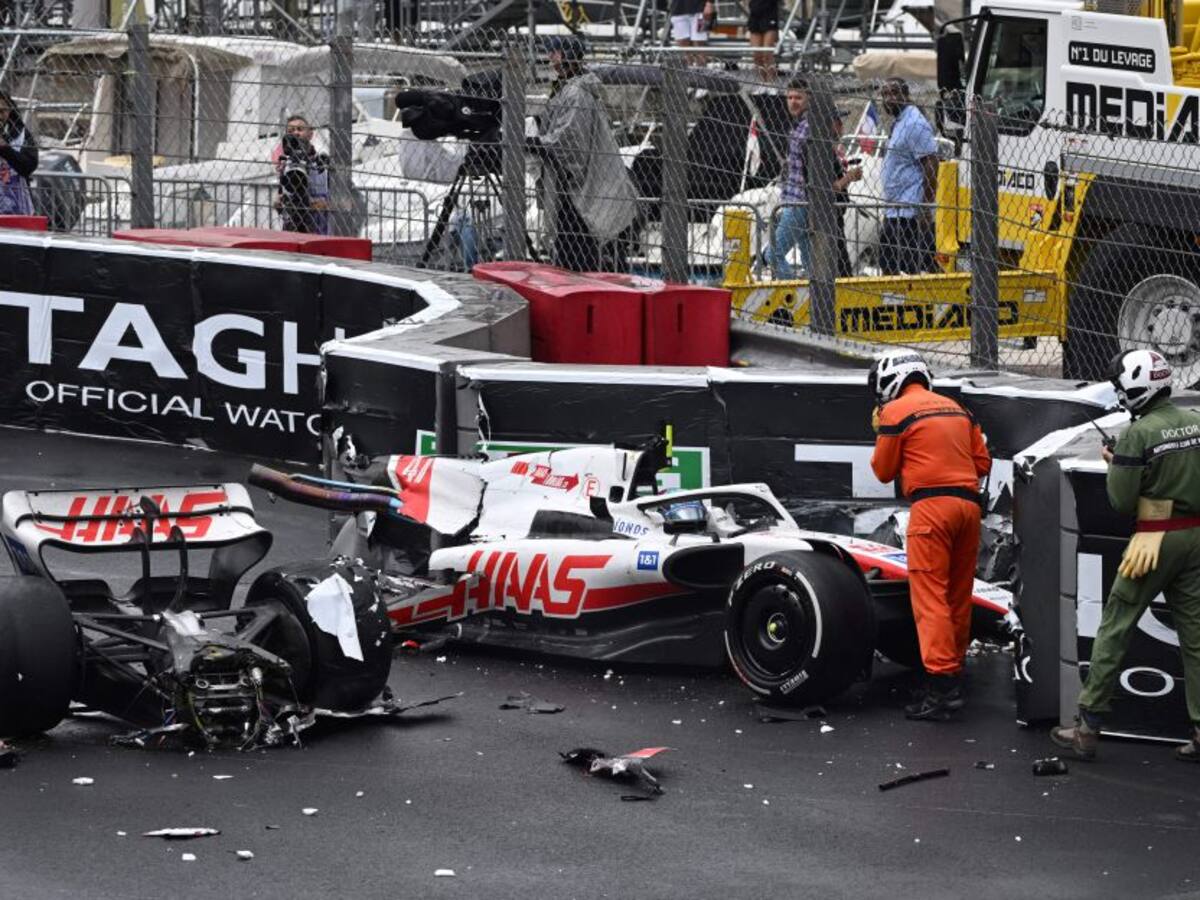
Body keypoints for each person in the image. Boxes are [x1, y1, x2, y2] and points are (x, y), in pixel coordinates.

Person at [1052, 350, 1200, 762]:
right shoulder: (1196, 421)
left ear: (1137, 387)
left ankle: (1087, 730)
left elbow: (1121, 500)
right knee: (1197, 639)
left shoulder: (1137, 434)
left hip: (1152, 541)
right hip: (1196, 539)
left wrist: (1118, 463)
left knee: (1115, 628)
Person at [869, 349, 991, 720]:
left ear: (891, 380)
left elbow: (882, 471)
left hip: (931, 510)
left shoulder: (894, 413)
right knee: (957, 594)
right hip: (968, 509)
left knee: (930, 598)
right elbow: (982, 463)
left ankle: (940, 688)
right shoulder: (958, 409)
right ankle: (951, 674)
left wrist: (881, 432)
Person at [527, 36, 637, 272]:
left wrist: (535, 142)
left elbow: (569, 141)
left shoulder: (576, 92)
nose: (550, 57)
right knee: (587, 254)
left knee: (583, 257)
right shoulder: (569, 89)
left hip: (582, 193)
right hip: (582, 188)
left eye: (554, 52)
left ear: (564, 55)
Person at [878, 78, 938, 275]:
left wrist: (925, 207)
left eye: (895, 93)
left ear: (906, 95)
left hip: (910, 212)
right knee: (889, 266)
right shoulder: (900, 122)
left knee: (906, 270)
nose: (890, 98)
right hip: (895, 210)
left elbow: (931, 163)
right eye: (885, 94)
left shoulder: (914, 123)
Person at [769, 77, 810, 280]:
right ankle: (814, 299)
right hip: (796, 199)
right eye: (790, 97)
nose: (793, 102)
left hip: (799, 201)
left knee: (772, 254)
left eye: (798, 98)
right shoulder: (799, 125)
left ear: (808, 99)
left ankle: (794, 293)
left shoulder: (809, 126)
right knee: (809, 259)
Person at [272, 115, 330, 235]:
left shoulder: (323, 164)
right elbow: (281, 201)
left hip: (320, 232)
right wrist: (278, 203)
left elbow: (349, 202)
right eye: (291, 131)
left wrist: (325, 204)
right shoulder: (286, 166)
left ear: (310, 134)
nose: (296, 133)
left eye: (300, 129)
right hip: (292, 230)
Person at [0, 89, 38, 217]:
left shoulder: (21, 134)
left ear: (10, 111)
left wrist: (5, 149)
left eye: (2, 111)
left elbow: (29, 166)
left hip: (18, 207)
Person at [747, 0, 779, 83]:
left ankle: (770, 83)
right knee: (756, 55)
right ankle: (762, 83)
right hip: (754, 14)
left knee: (767, 53)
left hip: (769, 14)